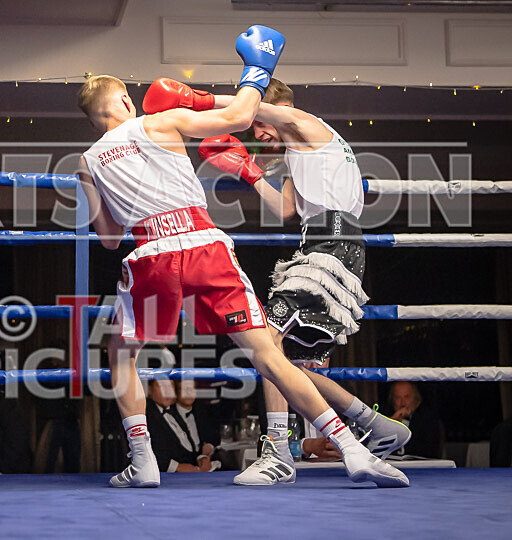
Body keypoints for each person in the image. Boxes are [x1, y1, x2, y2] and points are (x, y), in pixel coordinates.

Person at [77, 25, 407, 488]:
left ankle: (143, 460)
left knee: (121, 352)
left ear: (92, 122)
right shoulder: (161, 120)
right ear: (128, 103)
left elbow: (109, 240)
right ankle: (353, 448)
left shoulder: (88, 160)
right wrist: (258, 67)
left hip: (148, 250)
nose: (261, 135)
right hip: (206, 244)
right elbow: (240, 113)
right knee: (268, 355)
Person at [148, 76, 412, 484]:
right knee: (286, 362)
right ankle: (377, 425)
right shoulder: (298, 151)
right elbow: (286, 210)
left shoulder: (305, 123)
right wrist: (249, 172)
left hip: (332, 245)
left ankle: (278, 452)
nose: (257, 134)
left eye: (258, 127)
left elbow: (251, 109)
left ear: (272, 110)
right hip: (325, 246)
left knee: (263, 340)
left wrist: (196, 101)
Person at [383, 381, 443, 458]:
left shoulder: (427, 419)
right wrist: (393, 421)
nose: (402, 403)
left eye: (407, 397)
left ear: (415, 398)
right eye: (398, 398)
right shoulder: (385, 416)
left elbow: (429, 451)